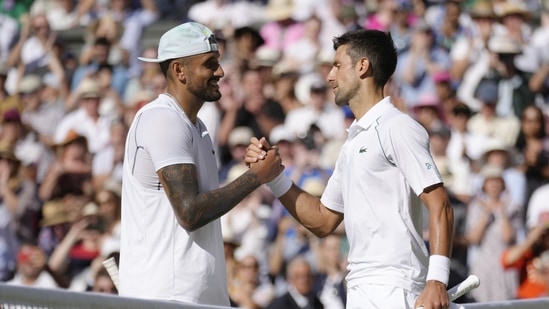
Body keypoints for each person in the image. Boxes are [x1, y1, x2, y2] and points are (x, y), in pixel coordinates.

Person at [247, 29, 455, 309]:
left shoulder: (398, 127)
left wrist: (437, 282)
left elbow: (440, 204)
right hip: (359, 288)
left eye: (337, 65)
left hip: (396, 288)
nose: (329, 76)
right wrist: (274, 178)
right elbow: (322, 220)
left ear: (362, 66)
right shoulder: (352, 143)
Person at [118, 22, 284, 306]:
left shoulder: (198, 127)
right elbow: (190, 212)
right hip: (166, 297)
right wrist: (255, 177)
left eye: (218, 62)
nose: (220, 72)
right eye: (210, 64)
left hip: (194, 297)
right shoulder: (162, 118)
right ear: (179, 70)